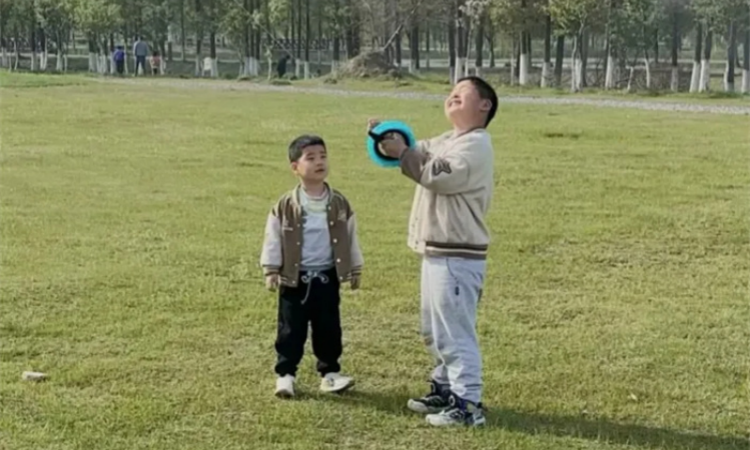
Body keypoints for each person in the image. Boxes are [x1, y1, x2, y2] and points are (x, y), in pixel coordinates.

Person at [370, 76, 498, 427]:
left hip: (458, 255)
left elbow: (436, 175)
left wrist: (403, 153)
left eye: (462, 93)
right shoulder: (447, 140)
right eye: (450, 93)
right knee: (435, 330)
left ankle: (468, 404)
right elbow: (417, 149)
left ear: (484, 105)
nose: (452, 96)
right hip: (436, 251)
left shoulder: (476, 145)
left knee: (455, 331)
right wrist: (386, 137)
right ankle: (445, 388)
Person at [260, 134, 364, 398]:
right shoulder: (286, 204)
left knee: (329, 328)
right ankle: (285, 376)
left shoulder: (339, 203)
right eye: (311, 158)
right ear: (295, 167)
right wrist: (271, 269)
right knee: (290, 329)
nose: (319, 162)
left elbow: (350, 235)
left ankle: (330, 374)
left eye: (323, 156)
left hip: (327, 277)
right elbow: (273, 237)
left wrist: (355, 267)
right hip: (294, 279)